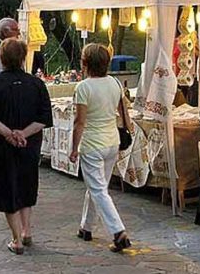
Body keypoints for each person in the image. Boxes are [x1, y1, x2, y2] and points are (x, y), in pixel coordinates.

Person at [0, 38, 53, 255]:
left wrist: (9, 133)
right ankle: (26, 230)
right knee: (26, 184)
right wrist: (24, 134)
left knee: (6, 188)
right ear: (23, 58)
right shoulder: (37, 84)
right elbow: (44, 118)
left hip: (3, 144)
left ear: (1, 58)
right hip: (30, 144)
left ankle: (16, 238)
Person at [69, 43, 133, 253]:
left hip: (92, 144)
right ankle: (86, 227)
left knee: (98, 190)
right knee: (98, 188)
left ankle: (118, 231)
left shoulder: (83, 88)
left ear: (85, 63)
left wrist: (73, 147)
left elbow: (80, 122)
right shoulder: (114, 83)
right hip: (111, 142)